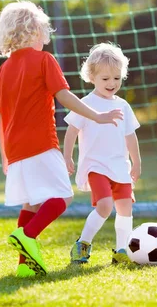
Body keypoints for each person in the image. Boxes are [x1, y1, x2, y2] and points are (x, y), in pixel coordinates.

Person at [0, 1, 123, 277]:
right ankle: (26, 234)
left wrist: (5, 154)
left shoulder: (4, 69)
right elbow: (63, 95)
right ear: (34, 32)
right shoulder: (44, 60)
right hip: (41, 143)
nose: (45, 38)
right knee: (62, 197)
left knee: (33, 202)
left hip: (15, 149)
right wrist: (96, 116)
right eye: (42, 32)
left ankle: (25, 266)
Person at [63, 42, 141, 265]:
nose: (111, 83)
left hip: (119, 166)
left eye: (116, 78)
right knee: (105, 206)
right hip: (95, 165)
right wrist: (67, 156)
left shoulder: (124, 106)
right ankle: (83, 243)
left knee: (125, 206)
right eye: (105, 79)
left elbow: (130, 135)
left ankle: (121, 250)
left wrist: (136, 162)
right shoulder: (85, 104)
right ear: (92, 76)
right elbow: (71, 131)